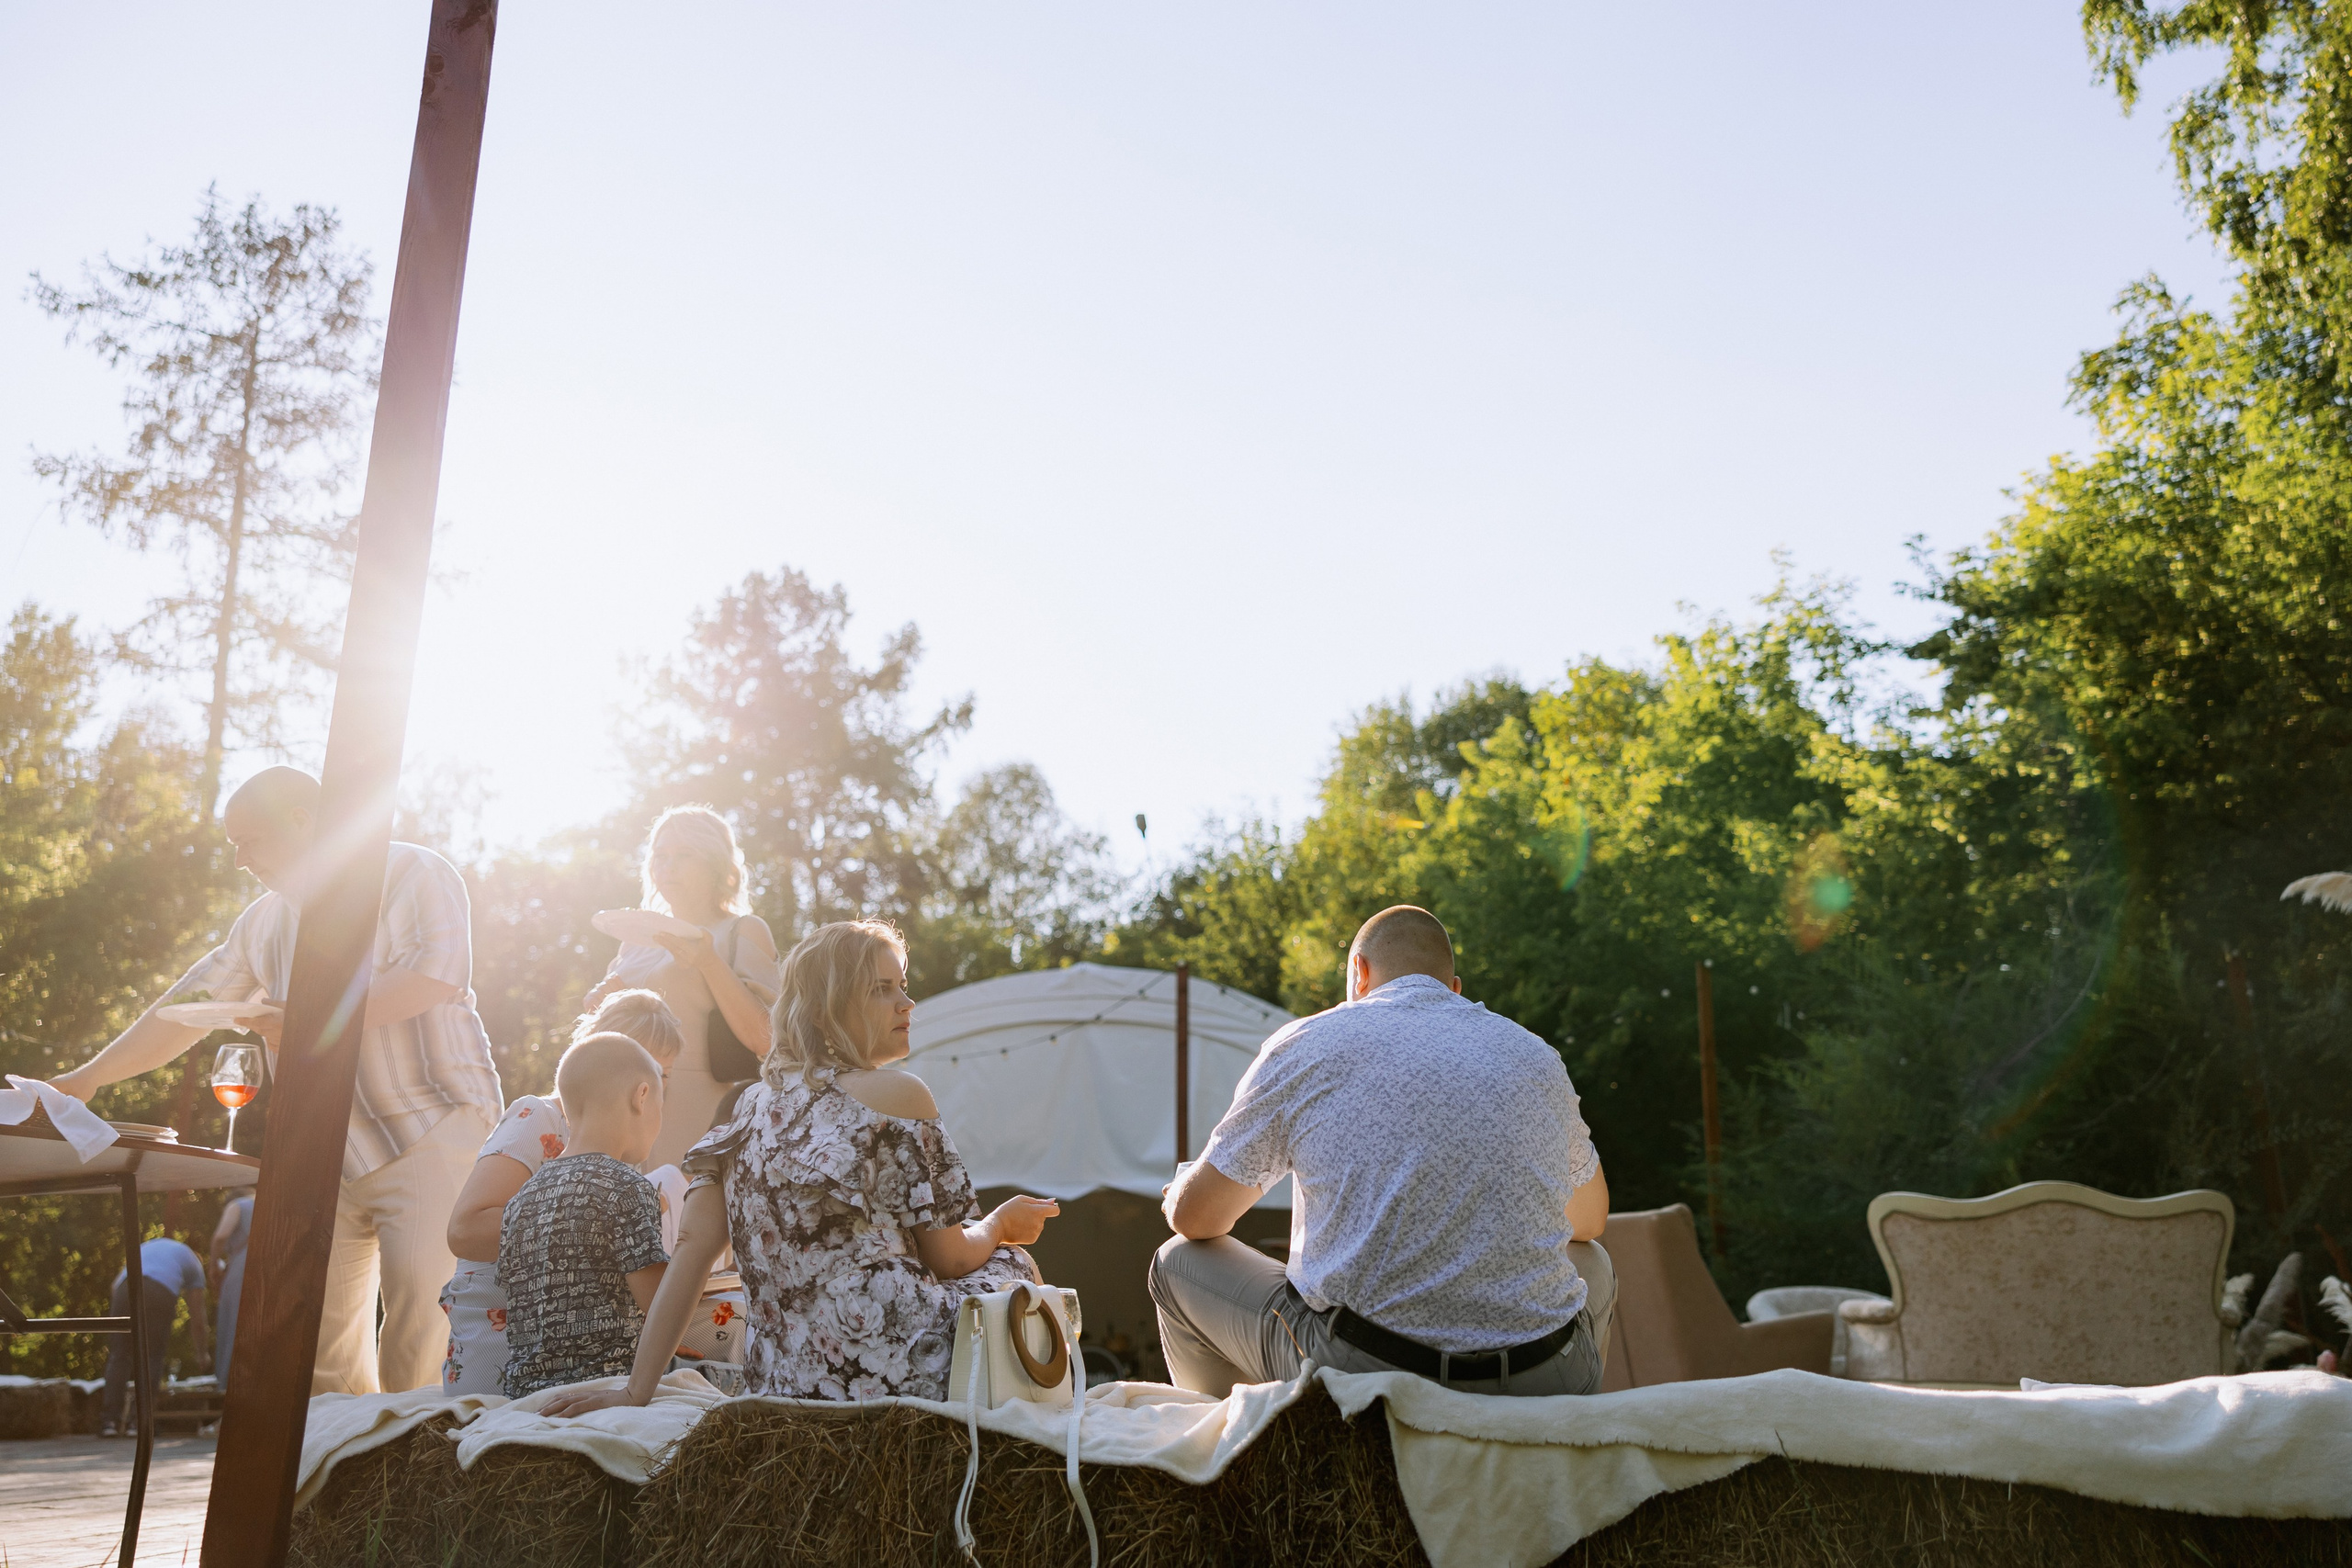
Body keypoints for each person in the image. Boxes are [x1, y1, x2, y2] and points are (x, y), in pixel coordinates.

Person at [51, 767, 504, 1395]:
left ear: (303, 818)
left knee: (421, 1336)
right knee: (315, 1354)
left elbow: (433, 973)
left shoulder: (411, 872)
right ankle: (339, 1488)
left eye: (250, 839)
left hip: (434, 1124)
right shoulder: (261, 924)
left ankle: (417, 1486)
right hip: (325, 1150)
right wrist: (88, 1077)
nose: (240, 859)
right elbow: (183, 1008)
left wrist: (305, 1020)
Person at [543, 920, 1057, 1416]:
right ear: (827, 1006)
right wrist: (999, 1225)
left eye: (902, 986)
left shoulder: (744, 1110)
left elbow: (692, 1253)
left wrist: (637, 1391)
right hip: (894, 1371)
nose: (907, 1003)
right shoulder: (899, 1096)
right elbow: (952, 1261)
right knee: (1015, 1269)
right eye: (881, 989)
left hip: (783, 1382)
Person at [1151, 906, 1616, 1398]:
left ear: (1359, 972)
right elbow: (1590, 1221)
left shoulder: (1308, 1042)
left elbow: (1198, 1220)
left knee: (1178, 1259)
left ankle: (1231, 1458)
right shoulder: (1535, 1056)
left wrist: (1180, 1189)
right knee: (1594, 1261)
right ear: (1452, 988)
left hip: (1367, 1375)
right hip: (1542, 1376)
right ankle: (1570, 1434)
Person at [437, 990, 684, 1394]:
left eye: (664, 1073)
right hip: (505, 1339)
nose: (650, 1082)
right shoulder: (540, 1116)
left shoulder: (623, 1150)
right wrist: (586, 1212)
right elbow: (464, 1230)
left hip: (569, 1347)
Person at [585, 806, 780, 1168]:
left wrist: (708, 963)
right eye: (661, 856)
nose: (668, 866)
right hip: (620, 1112)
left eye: (683, 854)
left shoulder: (743, 931)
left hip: (704, 1113)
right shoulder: (633, 940)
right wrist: (601, 1003)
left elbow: (768, 1039)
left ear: (716, 866)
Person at [498, 1033, 674, 1398]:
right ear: (641, 1096)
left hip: (525, 1394)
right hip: (603, 1386)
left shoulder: (521, 1199)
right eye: (661, 1106)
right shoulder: (626, 1186)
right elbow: (662, 1309)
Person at [99, 1235, 211, 1438]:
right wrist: (202, 1353)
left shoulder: (150, 1246)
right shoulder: (194, 1263)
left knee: (119, 1355)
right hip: (160, 1291)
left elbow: (114, 1286)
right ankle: (138, 1423)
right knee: (152, 1356)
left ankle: (109, 1422)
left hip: (125, 1288)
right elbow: (198, 1318)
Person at [207, 1193, 254, 1384]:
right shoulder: (271, 1205)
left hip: (242, 1268)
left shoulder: (237, 1204)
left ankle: (228, 1384)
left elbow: (220, 1237)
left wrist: (212, 1267)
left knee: (233, 1323)